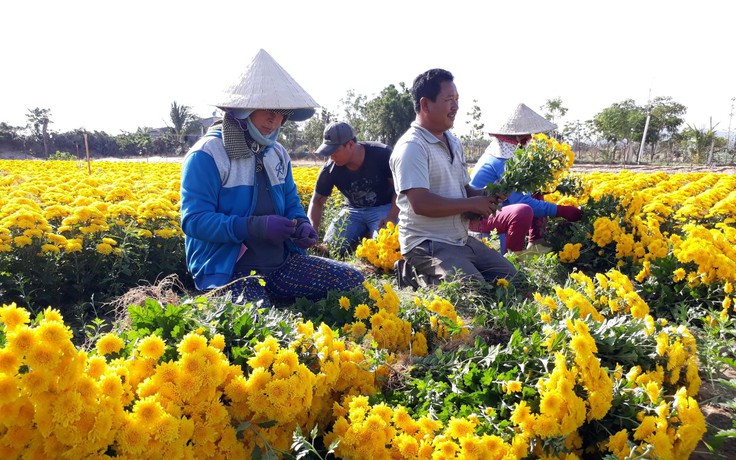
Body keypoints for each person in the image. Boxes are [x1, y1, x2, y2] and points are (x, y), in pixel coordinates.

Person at [180, 49, 364, 306]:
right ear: (243, 110)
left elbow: (291, 204)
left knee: (353, 280)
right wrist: (255, 226)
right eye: (267, 109)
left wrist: (302, 226)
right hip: (232, 270)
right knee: (260, 323)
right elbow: (195, 222)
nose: (274, 120)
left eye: (281, 113)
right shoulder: (208, 154)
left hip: (280, 264)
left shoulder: (277, 154)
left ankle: (277, 294)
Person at [389, 68, 517, 287]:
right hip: (426, 242)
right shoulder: (412, 147)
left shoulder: (453, 142)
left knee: (511, 279)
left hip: (459, 239)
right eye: (449, 99)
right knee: (471, 288)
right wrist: (472, 203)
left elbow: (464, 190)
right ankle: (412, 273)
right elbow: (420, 204)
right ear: (425, 105)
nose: (456, 106)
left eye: (457, 99)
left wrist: (488, 196)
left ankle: (444, 271)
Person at [469, 103, 583, 256]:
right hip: (479, 218)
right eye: (527, 136)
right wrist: (561, 210)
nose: (530, 139)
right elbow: (521, 202)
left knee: (535, 188)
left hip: (494, 210)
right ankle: (513, 259)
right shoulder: (501, 159)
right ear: (518, 137)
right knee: (523, 210)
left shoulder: (505, 153)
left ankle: (536, 242)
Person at [308, 121, 398, 254]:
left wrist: (391, 216)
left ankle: (367, 235)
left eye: (335, 151)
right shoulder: (330, 168)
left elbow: (400, 189)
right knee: (331, 248)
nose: (331, 156)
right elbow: (317, 201)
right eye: (328, 152)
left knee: (384, 248)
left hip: (384, 207)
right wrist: (312, 232)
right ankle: (363, 235)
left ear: (350, 144)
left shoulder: (382, 154)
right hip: (352, 210)